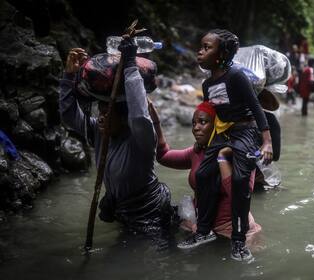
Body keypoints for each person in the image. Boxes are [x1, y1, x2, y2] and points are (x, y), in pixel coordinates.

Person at [176, 29, 273, 262]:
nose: (200, 51)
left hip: (246, 131)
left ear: (222, 54)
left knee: (240, 180)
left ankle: (239, 241)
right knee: (203, 173)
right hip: (224, 133)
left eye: (207, 47)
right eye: (201, 46)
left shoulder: (236, 76)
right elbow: (210, 114)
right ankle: (204, 231)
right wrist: (201, 140)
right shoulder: (207, 84)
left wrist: (267, 141)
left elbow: (256, 108)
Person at [59, 41, 173, 235]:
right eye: (100, 111)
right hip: (123, 210)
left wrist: (130, 65)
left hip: (149, 211)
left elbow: (139, 115)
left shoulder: (140, 138)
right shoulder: (98, 130)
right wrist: (69, 76)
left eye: (107, 112)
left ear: (123, 116)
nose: (101, 117)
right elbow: (69, 116)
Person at [148, 101, 261, 246]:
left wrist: (222, 158)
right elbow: (163, 156)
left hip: (231, 233)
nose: (196, 128)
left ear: (218, 125)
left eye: (203, 122)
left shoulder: (239, 152)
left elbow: (240, 196)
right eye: (194, 123)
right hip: (200, 230)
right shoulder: (197, 152)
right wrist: (156, 123)